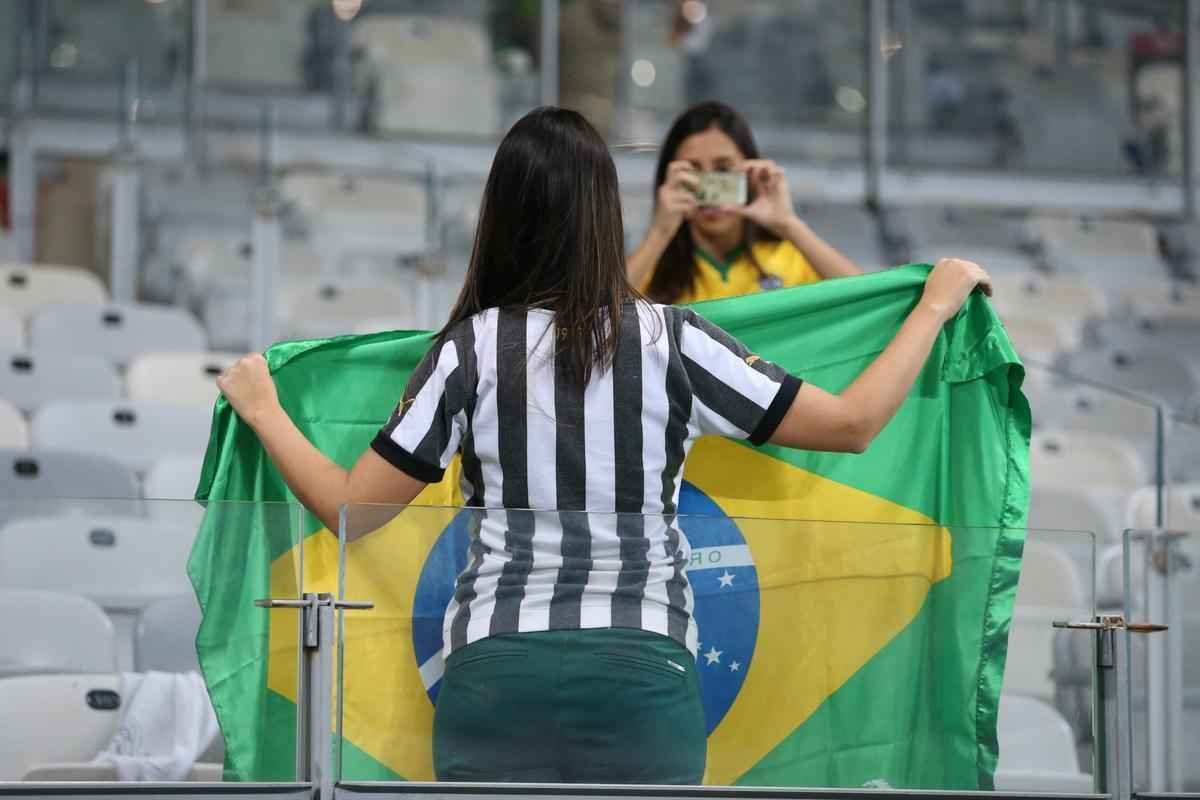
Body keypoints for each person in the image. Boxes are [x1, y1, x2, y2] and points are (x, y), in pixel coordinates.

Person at [216, 107, 991, 784]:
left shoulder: (470, 350)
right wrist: (932, 305)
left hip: (496, 677)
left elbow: (351, 508)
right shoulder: (672, 340)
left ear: (505, 216)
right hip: (644, 678)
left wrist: (264, 409)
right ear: (604, 213)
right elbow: (853, 426)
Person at [627, 102, 864, 305]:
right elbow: (603, 316)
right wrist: (659, 232)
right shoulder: (653, 265)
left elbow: (871, 300)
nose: (709, 186)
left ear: (750, 170)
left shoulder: (790, 256)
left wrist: (789, 224)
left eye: (723, 169)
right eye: (693, 171)